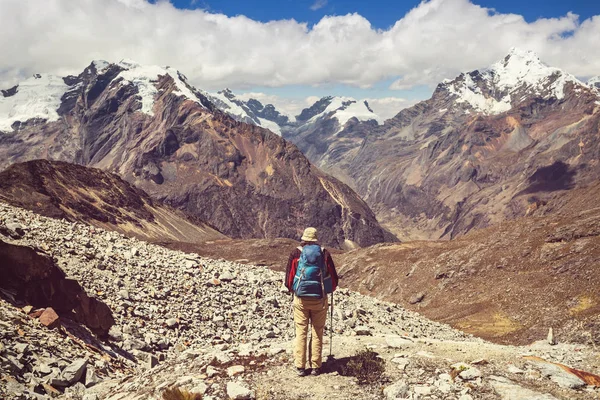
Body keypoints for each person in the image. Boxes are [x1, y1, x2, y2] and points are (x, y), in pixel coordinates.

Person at [284, 227, 339, 377]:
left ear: (303, 238)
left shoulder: (296, 253)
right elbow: (333, 279)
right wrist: (327, 291)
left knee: (301, 332)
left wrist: (295, 291)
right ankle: (316, 366)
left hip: (301, 299)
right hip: (319, 300)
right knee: (317, 332)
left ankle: (300, 366)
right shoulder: (324, 253)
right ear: (316, 238)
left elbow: (288, 280)